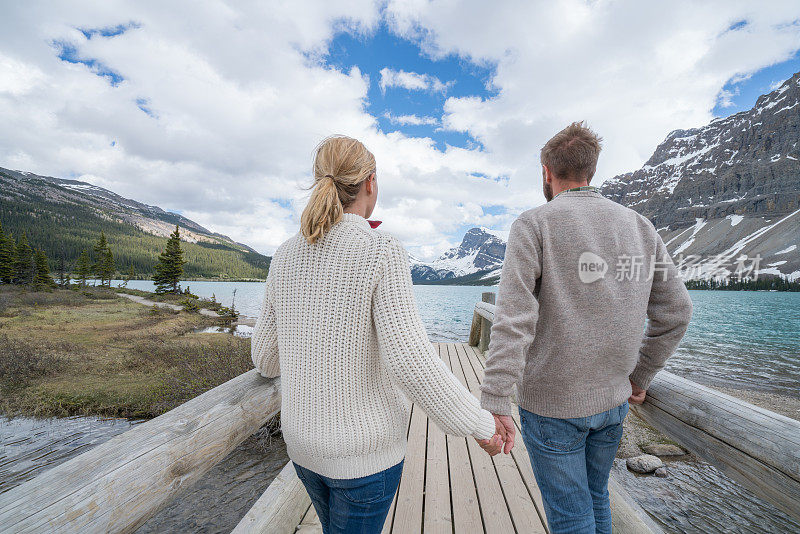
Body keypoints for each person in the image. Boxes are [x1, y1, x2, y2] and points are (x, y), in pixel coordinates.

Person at [250, 135, 506, 534]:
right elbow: (410, 361)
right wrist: (480, 425)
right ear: (370, 182)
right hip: (364, 455)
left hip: (302, 447)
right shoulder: (380, 250)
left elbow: (265, 359)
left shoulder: (285, 254)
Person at [480, 122, 693, 534]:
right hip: (612, 403)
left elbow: (513, 322)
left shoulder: (534, 224)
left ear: (547, 171)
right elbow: (677, 313)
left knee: (571, 516)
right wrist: (638, 377)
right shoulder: (639, 226)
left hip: (551, 405)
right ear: (592, 171)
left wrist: (495, 400)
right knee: (596, 499)